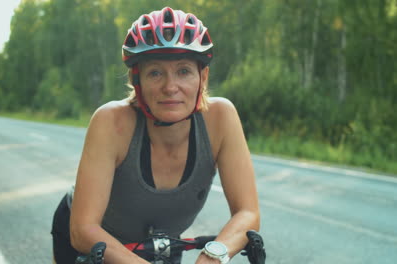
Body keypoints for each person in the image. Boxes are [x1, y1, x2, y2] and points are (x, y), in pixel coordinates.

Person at [51, 6, 260, 264]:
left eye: (183, 71)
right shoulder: (110, 122)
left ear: (202, 77)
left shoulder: (222, 118)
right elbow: (83, 230)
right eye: (155, 73)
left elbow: (248, 212)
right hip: (92, 244)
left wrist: (213, 257)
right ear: (136, 80)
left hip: (161, 246)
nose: (170, 87)